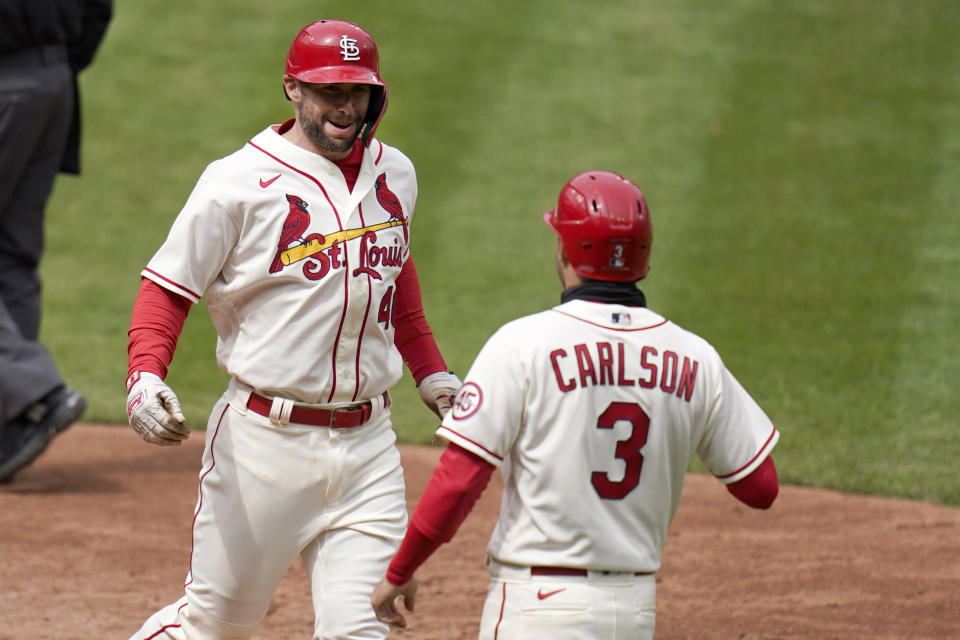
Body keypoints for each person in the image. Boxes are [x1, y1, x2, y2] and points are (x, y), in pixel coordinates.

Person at [124, 19, 460, 640]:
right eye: (329, 90)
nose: (344, 106)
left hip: (369, 449)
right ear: (293, 89)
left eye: (357, 92)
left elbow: (394, 275)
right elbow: (166, 288)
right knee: (212, 627)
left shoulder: (398, 174)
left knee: (359, 631)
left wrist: (431, 370)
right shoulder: (235, 182)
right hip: (261, 448)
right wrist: (145, 378)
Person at [371, 170, 781, 639]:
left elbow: (460, 481)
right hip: (633, 611)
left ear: (565, 249)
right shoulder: (696, 357)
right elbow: (760, 487)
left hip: (538, 608)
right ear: (644, 258)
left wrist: (399, 572)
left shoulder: (523, 343)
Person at [0, 0, 113, 483]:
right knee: (11, 255)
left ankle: (34, 392)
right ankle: (14, 424)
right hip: (54, 84)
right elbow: (98, 9)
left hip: (6, 80)